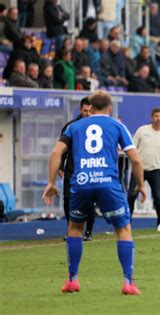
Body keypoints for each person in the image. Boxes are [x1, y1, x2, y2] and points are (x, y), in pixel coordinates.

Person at [42, 90, 146, 295]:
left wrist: (51, 182)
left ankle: (72, 280)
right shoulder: (117, 125)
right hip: (108, 182)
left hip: (81, 182)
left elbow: (56, 152)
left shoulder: (74, 126)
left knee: (74, 229)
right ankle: (128, 282)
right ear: (110, 107)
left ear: (89, 106)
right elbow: (135, 159)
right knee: (123, 229)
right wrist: (141, 184)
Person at [128, 107, 160, 232]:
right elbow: (132, 148)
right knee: (131, 197)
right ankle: (127, 223)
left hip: (155, 170)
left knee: (159, 198)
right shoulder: (142, 130)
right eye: (156, 116)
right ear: (151, 117)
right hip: (139, 169)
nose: (158, 119)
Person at [58, 97, 95, 241]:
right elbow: (61, 149)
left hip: (90, 169)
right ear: (80, 110)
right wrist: (60, 167)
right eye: (85, 110)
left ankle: (88, 232)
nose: (87, 113)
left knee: (89, 201)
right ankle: (71, 229)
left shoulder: (96, 127)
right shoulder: (70, 126)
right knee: (67, 199)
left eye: (90, 111)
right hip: (72, 169)